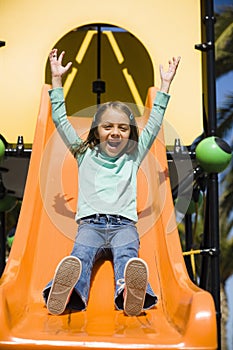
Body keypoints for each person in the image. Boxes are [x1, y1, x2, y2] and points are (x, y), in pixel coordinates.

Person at [43, 48, 180, 316]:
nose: (115, 132)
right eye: (108, 127)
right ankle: (68, 293)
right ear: (97, 131)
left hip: (123, 226)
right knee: (80, 256)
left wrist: (165, 86)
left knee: (128, 258)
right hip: (91, 225)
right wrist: (56, 80)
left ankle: (130, 293)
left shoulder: (133, 155)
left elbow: (154, 124)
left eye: (123, 128)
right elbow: (60, 119)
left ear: (130, 133)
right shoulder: (83, 153)